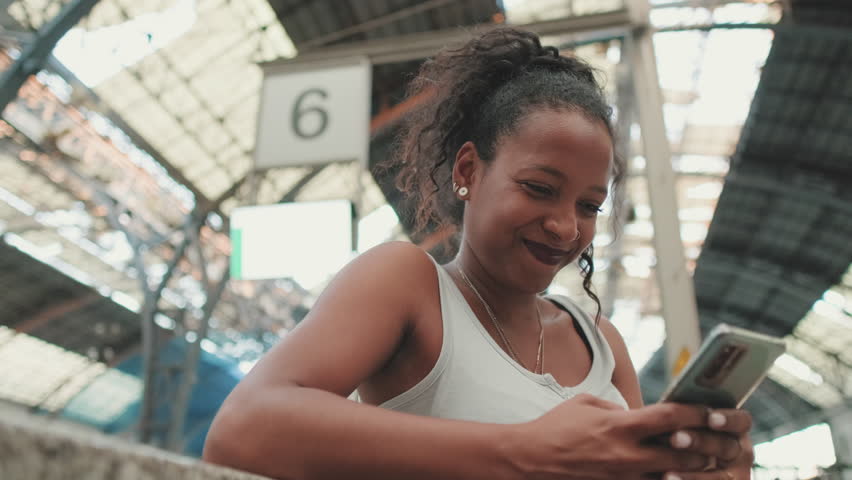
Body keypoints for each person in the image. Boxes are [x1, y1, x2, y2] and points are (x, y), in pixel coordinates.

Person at [203, 26, 754, 480]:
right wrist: (527, 451)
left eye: (589, 205)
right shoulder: (409, 283)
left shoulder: (601, 341)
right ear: (469, 169)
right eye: (539, 188)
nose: (565, 227)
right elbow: (243, 429)